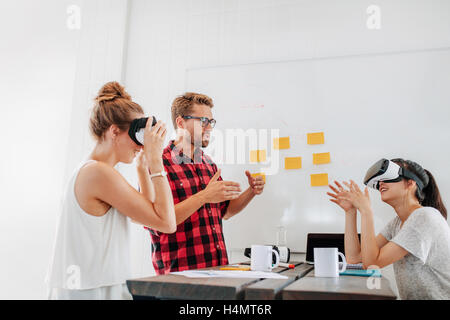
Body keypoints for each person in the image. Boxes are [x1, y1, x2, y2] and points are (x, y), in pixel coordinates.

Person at [46, 82, 176, 299]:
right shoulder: (97, 173)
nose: (140, 145)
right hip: (90, 290)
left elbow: (144, 217)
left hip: (97, 285)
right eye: (137, 136)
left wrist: (143, 169)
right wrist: (156, 161)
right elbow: (166, 222)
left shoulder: (97, 171)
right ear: (114, 131)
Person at [146, 92, 265, 274]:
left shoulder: (209, 164)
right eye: (203, 121)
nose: (209, 127)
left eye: (211, 121)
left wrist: (251, 191)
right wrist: (205, 196)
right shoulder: (158, 164)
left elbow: (225, 212)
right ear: (180, 123)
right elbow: (159, 222)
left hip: (218, 271)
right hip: (179, 278)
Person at [327, 158, 450, 300]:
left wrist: (366, 211)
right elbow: (354, 259)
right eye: (379, 180)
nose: (381, 183)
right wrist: (351, 212)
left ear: (411, 183)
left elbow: (372, 263)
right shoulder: (396, 224)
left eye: (388, 178)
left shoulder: (425, 216)